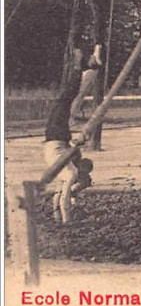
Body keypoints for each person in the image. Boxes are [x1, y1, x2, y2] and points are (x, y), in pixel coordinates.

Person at [43, 48, 93, 225]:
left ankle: (81, 68)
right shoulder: (72, 172)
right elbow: (65, 193)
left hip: (55, 141)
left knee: (65, 100)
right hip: (57, 140)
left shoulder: (72, 173)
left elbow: (64, 193)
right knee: (66, 100)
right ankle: (83, 68)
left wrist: (65, 216)